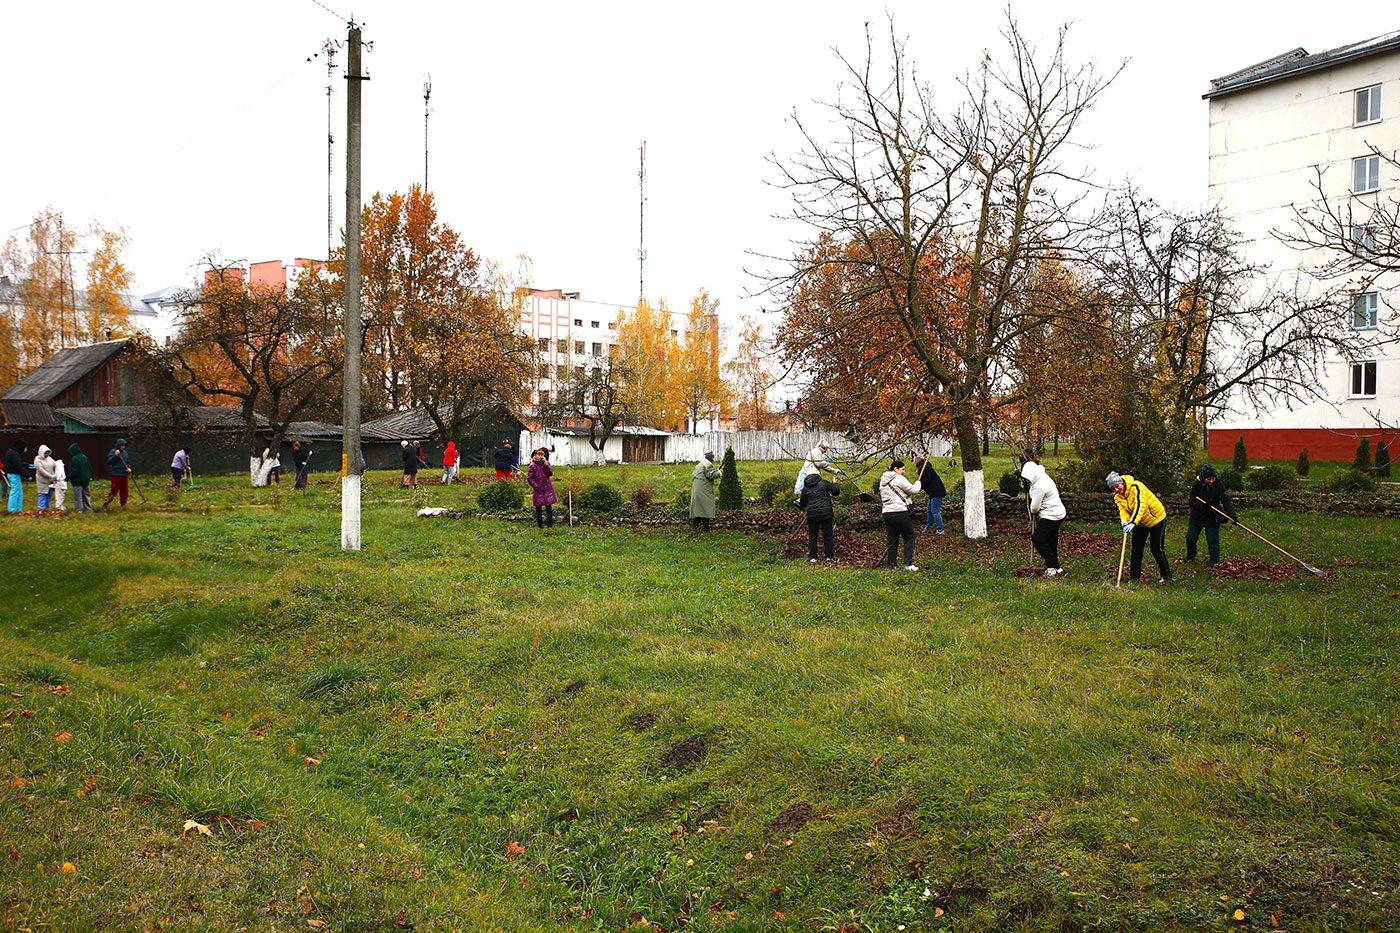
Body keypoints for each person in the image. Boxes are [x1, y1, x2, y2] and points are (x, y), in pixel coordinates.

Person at [1107, 470, 1170, 585]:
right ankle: (1134, 578)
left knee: (1156, 548)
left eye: (1117, 486)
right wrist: (1124, 521)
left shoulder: (1136, 487)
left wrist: (1133, 522)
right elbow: (1123, 511)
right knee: (1136, 549)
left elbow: (1140, 505)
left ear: (1121, 483)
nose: (1116, 489)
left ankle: (1166, 576)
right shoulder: (1118, 497)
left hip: (1156, 519)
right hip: (1140, 522)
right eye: (1113, 488)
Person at [1021, 459, 1067, 577]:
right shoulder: (1043, 477)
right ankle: (1057, 568)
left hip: (1051, 515)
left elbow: (1034, 508)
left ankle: (1052, 566)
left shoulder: (1039, 487)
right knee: (1051, 541)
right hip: (1059, 512)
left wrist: (1032, 509)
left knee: (1038, 539)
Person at [1186, 464, 1238, 566]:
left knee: (1213, 541)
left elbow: (1226, 501)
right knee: (1191, 538)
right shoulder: (1197, 484)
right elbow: (1192, 502)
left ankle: (1215, 563)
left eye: (1213, 478)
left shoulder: (1218, 485)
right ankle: (1190, 558)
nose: (1211, 481)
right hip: (1197, 516)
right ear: (1203, 478)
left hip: (1213, 516)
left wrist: (1233, 515)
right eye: (1208, 479)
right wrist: (1203, 506)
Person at [878, 459, 921, 571]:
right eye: (902, 469)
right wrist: (918, 483)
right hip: (899, 511)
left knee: (892, 540)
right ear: (895, 469)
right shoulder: (899, 478)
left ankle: (892, 564)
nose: (904, 472)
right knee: (909, 537)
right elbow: (913, 490)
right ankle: (908, 564)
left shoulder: (883, 480)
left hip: (887, 512)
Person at [799, 472, 840, 562]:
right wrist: (834, 483)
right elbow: (836, 492)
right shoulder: (824, 483)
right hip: (826, 513)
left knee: (813, 536)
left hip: (812, 515)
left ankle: (813, 557)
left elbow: (803, 504)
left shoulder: (805, 489)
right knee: (828, 535)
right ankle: (829, 556)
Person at [913, 456, 948, 534]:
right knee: (929, 510)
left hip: (936, 492)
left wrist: (917, 487)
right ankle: (928, 527)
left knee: (935, 511)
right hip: (932, 493)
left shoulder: (926, 468)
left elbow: (926, 481)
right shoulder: (925, 468)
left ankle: (940, 529)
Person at [689, 451, 722, 531]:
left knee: (698, 508)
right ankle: (705, 528)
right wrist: (719, 473)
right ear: (710, 458)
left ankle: (695, 526)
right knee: (706, 508)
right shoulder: (708, 464)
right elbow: (710, 475)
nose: (713, 460)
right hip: (704, 490)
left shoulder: (699, 465)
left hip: (697, 490)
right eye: (713, 458)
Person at [527, 448, 557, 528]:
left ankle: (550, 523)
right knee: (538, 507)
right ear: (535, 455)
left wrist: (546, 465)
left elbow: (550, 474)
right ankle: (540, 524)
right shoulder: (532, 466)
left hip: (547, 487)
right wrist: (536, 486)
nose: (540, 456)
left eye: (542, 454)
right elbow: (530, 478)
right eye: (538, 454)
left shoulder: (546, 463)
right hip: (538, 489)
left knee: (548, 506)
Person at [102, 438, 131, 509]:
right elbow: (110, 461)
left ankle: (123, 504)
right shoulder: (113, 452)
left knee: (124, 490)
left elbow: (128, 462)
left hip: (124, 474)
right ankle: (106, 502)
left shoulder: (125, 453)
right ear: (118, 445)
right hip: (115, 474)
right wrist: (115, 455)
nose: (123, 447)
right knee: (114, 490)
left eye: (124, 445)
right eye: (122, 445)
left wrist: (129, 468)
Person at [4, 440, 30, 512]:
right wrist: (27, 475)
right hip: (13, 475)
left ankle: (18, 509)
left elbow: (17, 463)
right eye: (25, 447)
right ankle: (12, 509)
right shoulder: (14, 454)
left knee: (19, 492)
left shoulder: (11, 452)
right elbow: (18, 466)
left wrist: (27, 465)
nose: (25, 450)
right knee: (15, 492)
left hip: (13, 474)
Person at [67, 443, 92, 513]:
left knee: (78, 497)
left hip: (77, 481)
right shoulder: (84, 457)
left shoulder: (74, 459)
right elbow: (89, 467)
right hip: (86, 480)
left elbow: (75, 471)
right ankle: (88, 510)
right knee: (86, 495)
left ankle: (79, 510)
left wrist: (68, 477)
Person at [33, 444, 57, 510]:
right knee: (42, 494)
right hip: (43, 481)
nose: (47, 455)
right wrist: (51, 476)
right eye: (45, 453)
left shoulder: (49, 458)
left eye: (48, 453)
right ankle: (41, 508)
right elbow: (42, 472)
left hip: (50, 481)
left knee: (49, 495)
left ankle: (47, 508)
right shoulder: (37, 461)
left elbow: (55, 464)